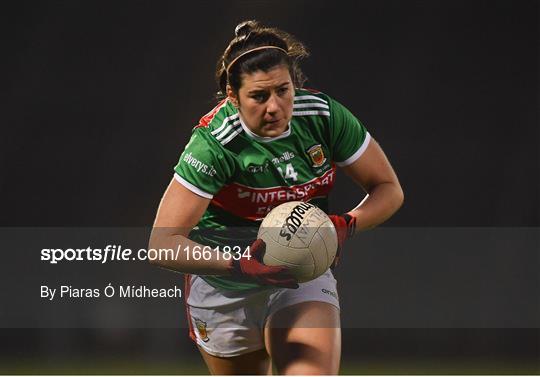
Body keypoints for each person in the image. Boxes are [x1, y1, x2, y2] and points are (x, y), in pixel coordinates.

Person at [150, 20, 404, 375]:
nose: (274, 106)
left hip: (300, 273)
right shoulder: (215, 145)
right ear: (232, 96)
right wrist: (239, 264)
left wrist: (344, 225)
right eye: (258, 96)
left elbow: (387, 189)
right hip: (225, 287)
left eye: (283, 90)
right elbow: (162, 243)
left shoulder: (322, 117)